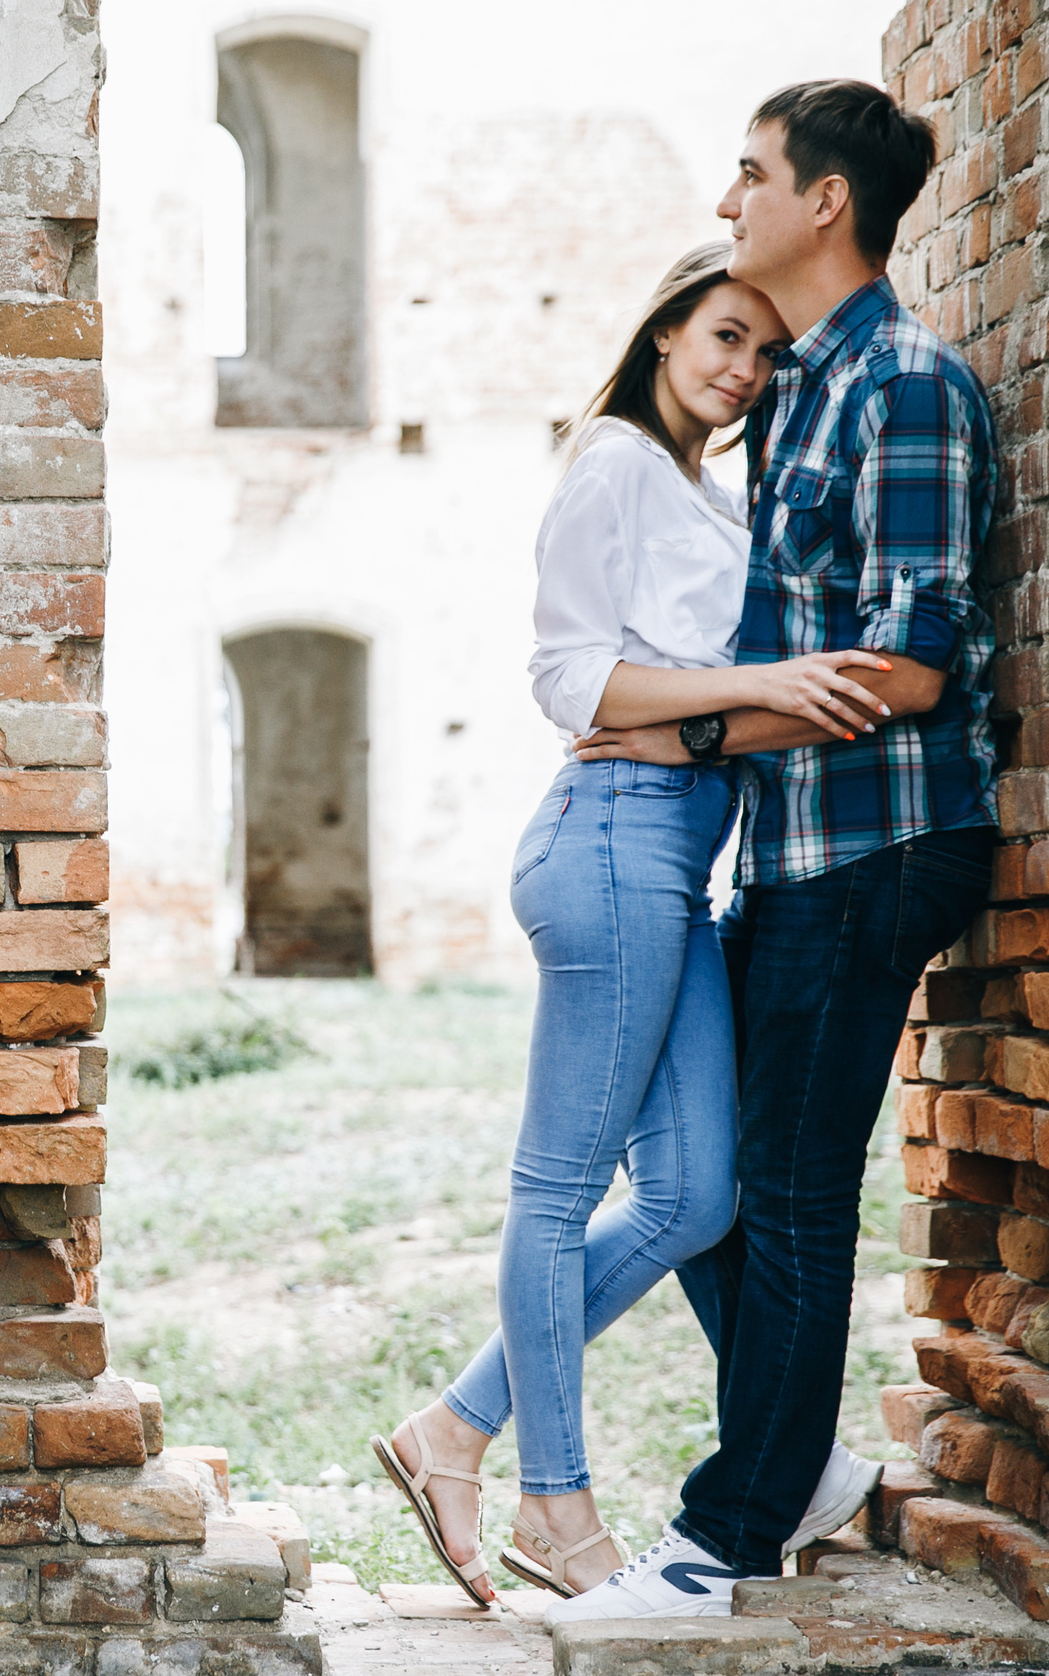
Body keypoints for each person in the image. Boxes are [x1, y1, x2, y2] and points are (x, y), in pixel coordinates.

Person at [371, 241, 892, 1605]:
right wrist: (764, 688)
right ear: (665, 328)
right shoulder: (609, 462)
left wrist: (718, 711)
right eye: (725, 335)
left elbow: (675, 697)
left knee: (696, 1192)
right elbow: (571, 678)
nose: (743, 371)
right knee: (558, 1191)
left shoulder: (705, 492)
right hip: (607, 843)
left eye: (768, 353)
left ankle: (451, 1428)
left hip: (676, 853)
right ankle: (556, 1501)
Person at [547, 79, 1000, 1622]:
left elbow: (910, 668)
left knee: (790, 1192)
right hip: (788, 853)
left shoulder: (910, 386)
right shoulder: (794, 391)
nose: (728, 197)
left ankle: (728, 1534)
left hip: (880, 845)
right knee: (705, 1181)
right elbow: (764, 657)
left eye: (750, 174)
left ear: (825, 204)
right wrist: (696, 723)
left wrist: (672, 729)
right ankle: (796, 1461)